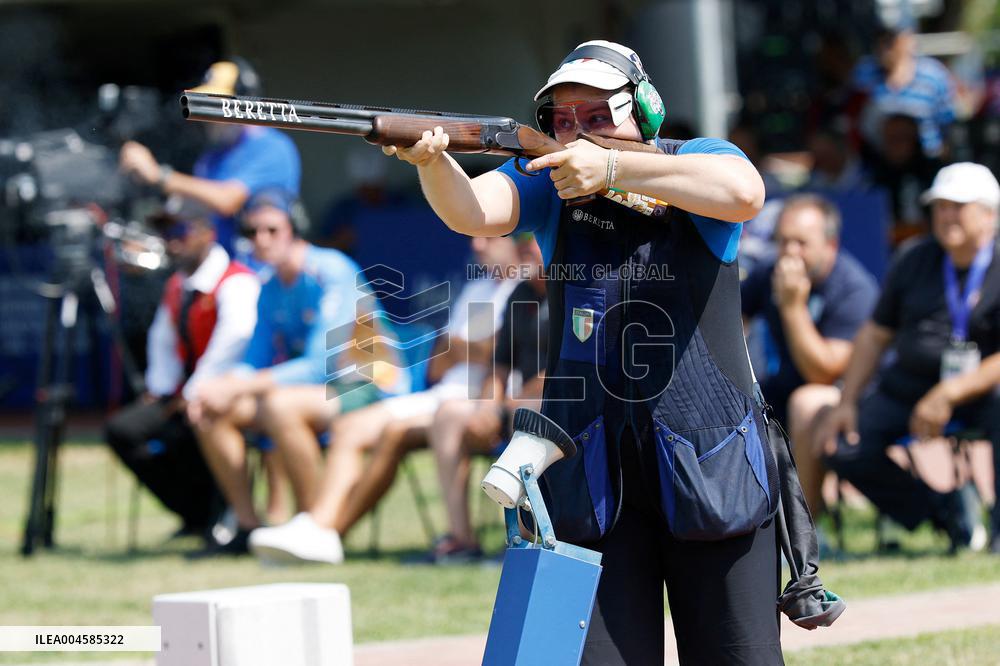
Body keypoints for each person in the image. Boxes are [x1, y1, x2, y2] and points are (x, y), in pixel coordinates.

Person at [383, 39, 782, 664]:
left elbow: (744, 191)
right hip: (594, 464)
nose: (578, 132)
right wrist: (433, 164)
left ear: (642, 109)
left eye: (598, 116)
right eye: (563, 120)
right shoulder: (548, 181)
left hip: (713, 460)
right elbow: (474, 211)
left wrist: (615, 169)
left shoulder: (697, 160)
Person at [247, 235, 519, 564]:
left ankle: (326, 532)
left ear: (518, 242)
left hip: (482, 403)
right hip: (440, 396)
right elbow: (439, 360)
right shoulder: (477, 289)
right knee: (348, 428)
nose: (477, 245)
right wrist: (476, 349)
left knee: (393, 433)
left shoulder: (525, 289)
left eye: (489, 237)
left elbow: (501, 355)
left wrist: (469, 349)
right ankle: (320, 527)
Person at [186, 188, 405, 555]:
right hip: (319, 391)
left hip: (369, 381)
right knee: (212, 410)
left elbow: (321, 364)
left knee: (280, 405)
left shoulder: (331, 270)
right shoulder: (269, 284)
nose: (261, 239)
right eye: (252, 232)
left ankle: (313, 527)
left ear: (295, 229)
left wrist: (241, 386)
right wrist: (219, 387)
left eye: (272, 230)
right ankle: (246, 526)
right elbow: (253, 361)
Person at [817, 162, 1000, 554]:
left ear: (990, 215)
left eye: (958, 206)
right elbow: (874, 335)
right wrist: (847, 400)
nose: (946, 215)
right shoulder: (915, 257)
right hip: (910, 385)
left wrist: (949, 394)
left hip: (983, 390)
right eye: (940, 206)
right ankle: (944, 512)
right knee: (842, 446)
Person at [106, 197, 259, 536]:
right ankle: (195, 512)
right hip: (183, 391)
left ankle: (226, 515)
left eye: (180, 230)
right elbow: (162, 341)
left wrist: (192, 393)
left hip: (224, 389)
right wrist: (161, 391)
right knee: (124, 430)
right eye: (165, 232)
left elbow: (233, 343)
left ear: (207, 233)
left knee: (197, 422)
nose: (172, 240)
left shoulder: (236, 281)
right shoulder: (177, 284)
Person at [741, 194, 878, 514]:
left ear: (830, 244)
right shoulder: (769, 272)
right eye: (783, 241)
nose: (790, 252)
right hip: (786, 384)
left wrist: (792, 307)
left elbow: (825, 373)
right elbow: (732, 317)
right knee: (731, 398)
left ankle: (806, 527)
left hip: (852, 395)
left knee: (806, 401)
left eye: (801, 243)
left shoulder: (853, 289)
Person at [427, 232, 548, 563]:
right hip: (515, 404)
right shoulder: (520, 295)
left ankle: (526, 540)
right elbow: (499, 367)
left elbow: (562, 371)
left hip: (556, 406)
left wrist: (510, 403)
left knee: (525, 410)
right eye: (521, 245)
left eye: (532, 242)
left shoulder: (572, 294)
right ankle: (461, 539)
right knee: (450, 413)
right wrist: (487, 406)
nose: (525, 252)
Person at [119, 58, 301, 256]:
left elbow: (226, 200)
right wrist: (145, 232)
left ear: (246, 105)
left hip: (263, 272)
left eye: (218, 105)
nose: (209, 116)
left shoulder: (271, 146)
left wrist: (159, 175)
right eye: (208, 104)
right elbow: (194, 211)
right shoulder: (212, 156)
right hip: (225, 269)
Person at [852, 14, 956, 160]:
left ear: (909, 39)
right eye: (879, 38)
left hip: (927, 162)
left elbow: (949, 126)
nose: (883, 46)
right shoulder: (864, 74)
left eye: (890, 40)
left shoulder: (934, 76)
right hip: (878, 166)